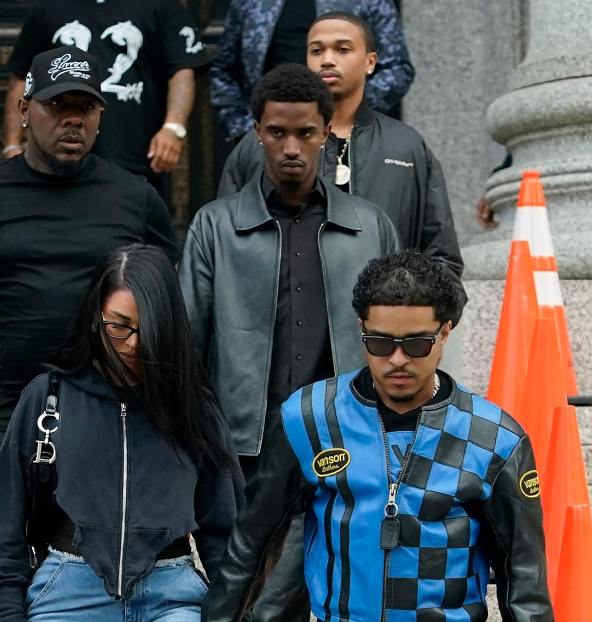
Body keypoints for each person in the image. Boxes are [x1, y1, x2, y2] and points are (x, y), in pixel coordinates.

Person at [0, 47, 179, 621]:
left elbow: (169, 310)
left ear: (102, 116)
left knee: (93, 575)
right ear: (26, 109)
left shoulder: (136, 199)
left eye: (86, 107)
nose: (72, 119)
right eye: (58, 106)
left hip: (106, 413)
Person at [202, 249, 553, 622]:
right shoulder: (310, 418)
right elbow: (251, 539)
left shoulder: (496, 438)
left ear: (445, 333)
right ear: (361, 329)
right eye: (381, 343)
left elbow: (525, 577)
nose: (398, 359)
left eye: (417, 344)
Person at [179, 63, 399, 622]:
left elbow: (398, 338)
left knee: (341, 588)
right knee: (246, 589)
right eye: (277, 132)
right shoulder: (215, 226)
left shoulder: (372, 227)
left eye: (305, 132)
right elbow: (186, 343)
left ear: (327, 132)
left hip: (346, 442)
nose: (291, 147)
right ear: (256, 131)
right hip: (245, 447)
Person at [0, 244, 245, 622]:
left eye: (148, 329)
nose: (134, 344)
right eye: (119, 326)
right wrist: (8, 610)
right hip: (67, 590)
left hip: (174, 595)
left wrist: (230, 609)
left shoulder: (194, 408)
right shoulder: (48, 398)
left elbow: (226, 531)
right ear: (94, 317)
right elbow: (4, 517)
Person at [218, 12, 464, 304]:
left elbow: (441, 256)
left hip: (382, 331)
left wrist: (419, 326)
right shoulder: (257, 144)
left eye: (342, 49)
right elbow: (224, 245)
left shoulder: (406, 147)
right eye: (317, 50)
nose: (327, 60)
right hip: (282, 324)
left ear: (370, 62)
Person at [0, 0, 211, 194]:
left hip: (135, 158)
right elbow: (23, 75)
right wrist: (12, 144)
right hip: (56, 163)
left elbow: (182, 68)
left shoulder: (161, 4)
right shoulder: (49, 6)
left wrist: (173, 128)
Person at [211, 0, 413, 141]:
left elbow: (397, 69)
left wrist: (346, 114)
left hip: (350, 140)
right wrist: (241, 128)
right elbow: (224, 69)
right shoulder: (250, 2)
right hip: (271, 139)